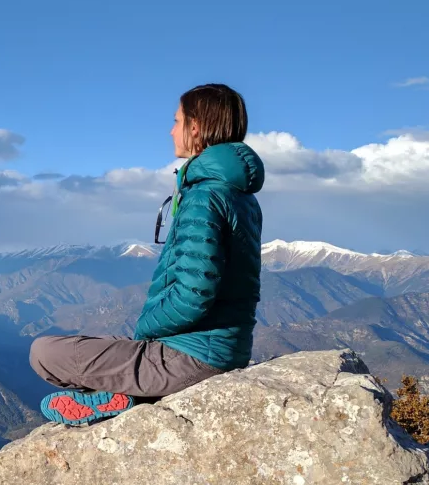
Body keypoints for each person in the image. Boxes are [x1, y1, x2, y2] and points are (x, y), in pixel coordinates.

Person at [30, 83, 265, 425]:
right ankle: (115, 394)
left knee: (45, 353)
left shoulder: (204, 197)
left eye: (177, 120)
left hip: (190, 358)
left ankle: (116, 396)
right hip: (223, 349)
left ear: (195, 127)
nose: (171, 130)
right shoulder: (241, 197)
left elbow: (193, 295)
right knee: (87, 346)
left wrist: (145, 331)